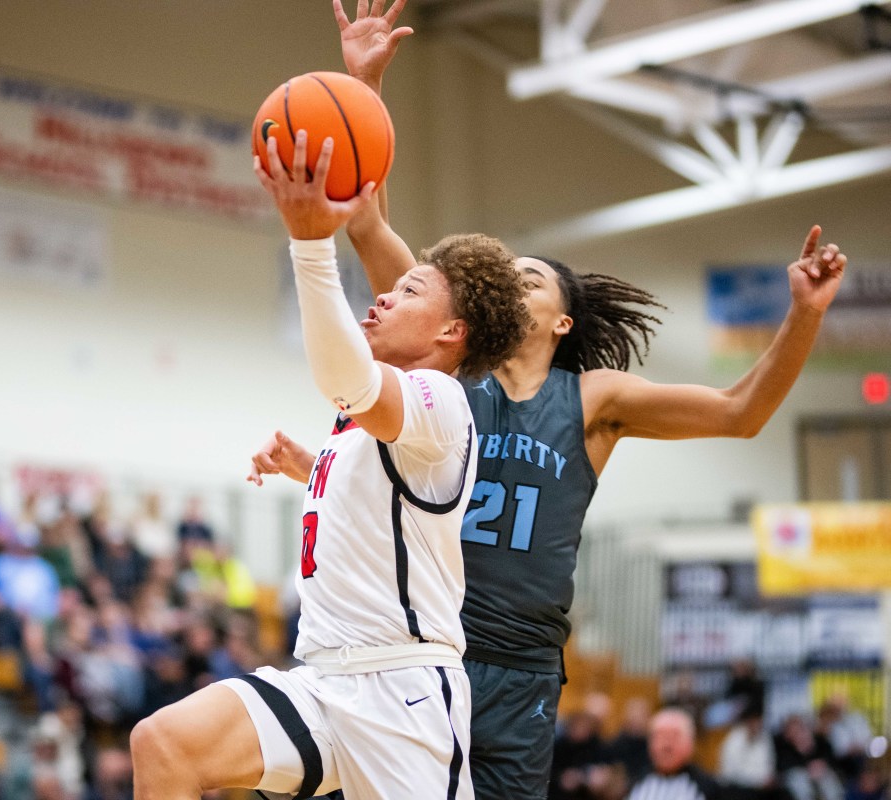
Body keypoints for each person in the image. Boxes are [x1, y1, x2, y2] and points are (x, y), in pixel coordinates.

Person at [249, 3, 850, 797]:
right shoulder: (450, 370)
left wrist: (803, 316)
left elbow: (741, 413)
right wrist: (365, 88)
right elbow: (366, 222)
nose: (507, 282)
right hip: (433, 649)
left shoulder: (595, 399)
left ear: (561, 318)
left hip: (524, 669)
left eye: (529, 278)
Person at [130, 124, 529, 798]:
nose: (383, 295)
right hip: (321, 680)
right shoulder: (370, 426)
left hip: (403, 692)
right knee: (164, 743)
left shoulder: (441, 400)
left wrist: (310, 242)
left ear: (451, 332)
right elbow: (387, 495)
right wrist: (311, 464)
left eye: (409, 293)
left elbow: (346, 375)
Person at [628, 708, 722, 800]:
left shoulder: (710, 789)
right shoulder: (634, 784)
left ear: (690, 743)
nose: (666, 745)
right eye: (660, 737)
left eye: (673, 737)